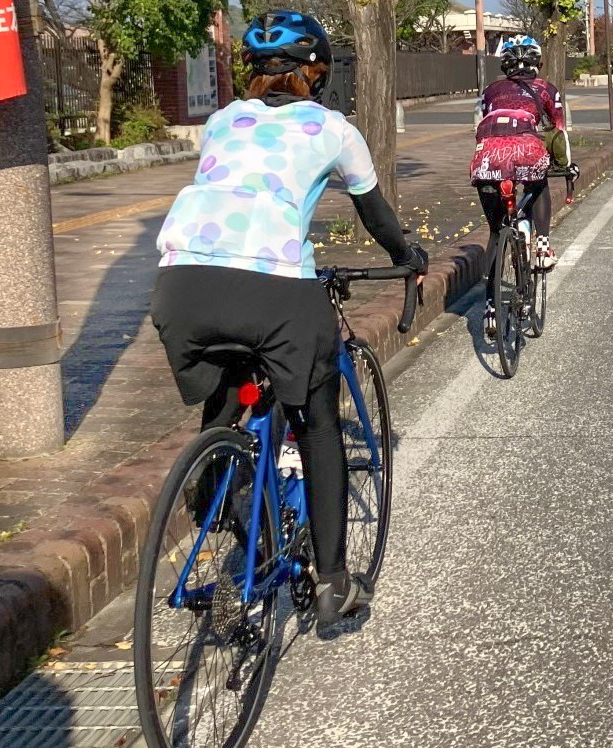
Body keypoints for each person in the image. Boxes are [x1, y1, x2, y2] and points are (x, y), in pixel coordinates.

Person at [150, 10, 426, 626]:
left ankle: (217, 493)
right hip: (274, 289)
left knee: (229, 386)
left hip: (180, 285)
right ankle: (332, 584)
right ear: (319, 74)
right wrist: (406, 257)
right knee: (319, 424)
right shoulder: (332, 129)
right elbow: (376, 216)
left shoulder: (222, 122)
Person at [471, 34, 571, 338]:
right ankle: (542, 244)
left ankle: (490, 309)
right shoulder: (546, 89)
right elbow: (559, 132)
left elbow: (477, 127)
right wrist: (566, 166)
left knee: (496, 231)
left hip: (486, 156)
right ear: (537, 64)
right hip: (526, 150)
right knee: (538, 183)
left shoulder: (489, 91)